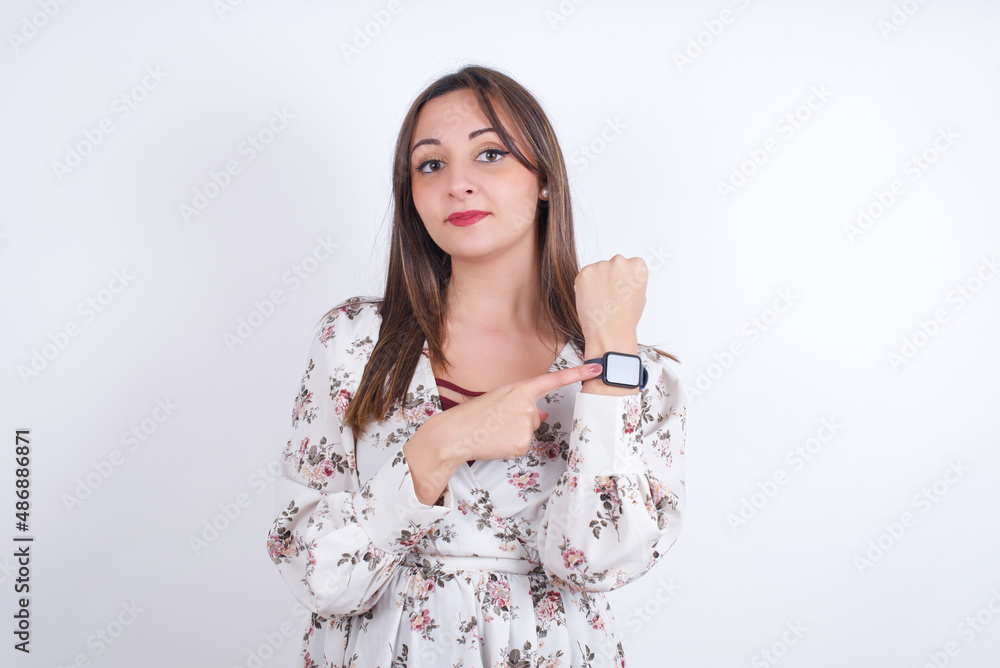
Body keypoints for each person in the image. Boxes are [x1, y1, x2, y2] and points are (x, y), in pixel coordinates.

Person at [266, 64, 686, 668]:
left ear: (544, 180)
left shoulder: (633, 370)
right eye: (431, 164)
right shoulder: (356, 342)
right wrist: (436, 447)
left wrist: (610, 349)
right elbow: (315, 574)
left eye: (490, 155)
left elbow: (596, 563)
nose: (457, 184)